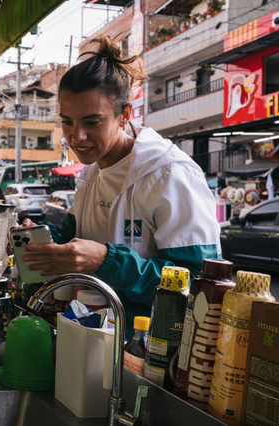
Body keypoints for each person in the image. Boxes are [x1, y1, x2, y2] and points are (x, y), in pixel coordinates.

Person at [18, 34, 221, 338]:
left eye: (93, 122)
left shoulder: (169, 174)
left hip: (150, 353)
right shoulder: (90, 175)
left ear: (124, 115)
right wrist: (42, 241)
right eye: (68, 122)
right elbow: (76, 240)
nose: (78, 137)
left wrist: (106, 260)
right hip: (90, 337)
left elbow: (201, 285)